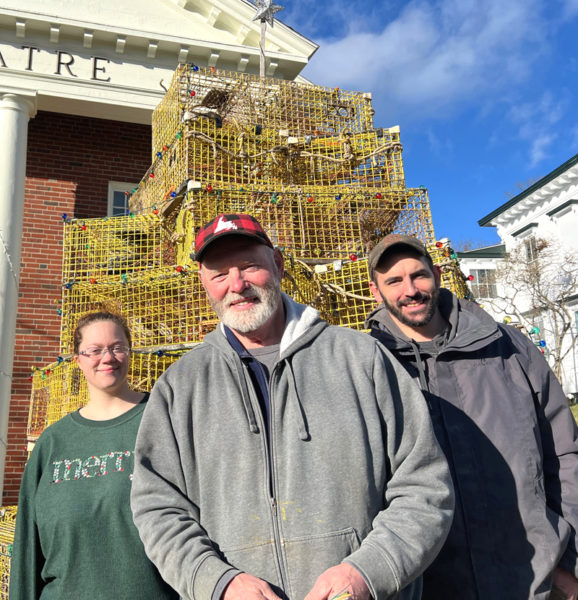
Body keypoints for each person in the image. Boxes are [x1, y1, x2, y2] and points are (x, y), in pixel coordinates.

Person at [130, 213, 454, 600]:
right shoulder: (179, 387)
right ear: (204, 282)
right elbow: (158, 508)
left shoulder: (361, 358)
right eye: (219, 274)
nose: (237, 284)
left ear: (278, 264)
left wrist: (368, 572)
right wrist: (217, 582)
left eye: (250, 266)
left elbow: (424, 485)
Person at [365, 234, 578, 600]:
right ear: (375, 291)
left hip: (532, 579)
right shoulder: (370, 367)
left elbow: (564, 455)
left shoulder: (509, 348)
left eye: (419, 275)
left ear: (436, 275)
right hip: (431, 586)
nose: (411, 290)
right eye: (394, 281)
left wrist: (570, 559)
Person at [10, 311, 178, 600]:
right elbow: (27, 547)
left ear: (129, 352)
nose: (108, 358)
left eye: (117, 347)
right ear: (78, 360)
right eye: (95, 350)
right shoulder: (53, 443)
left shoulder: (164, 421)